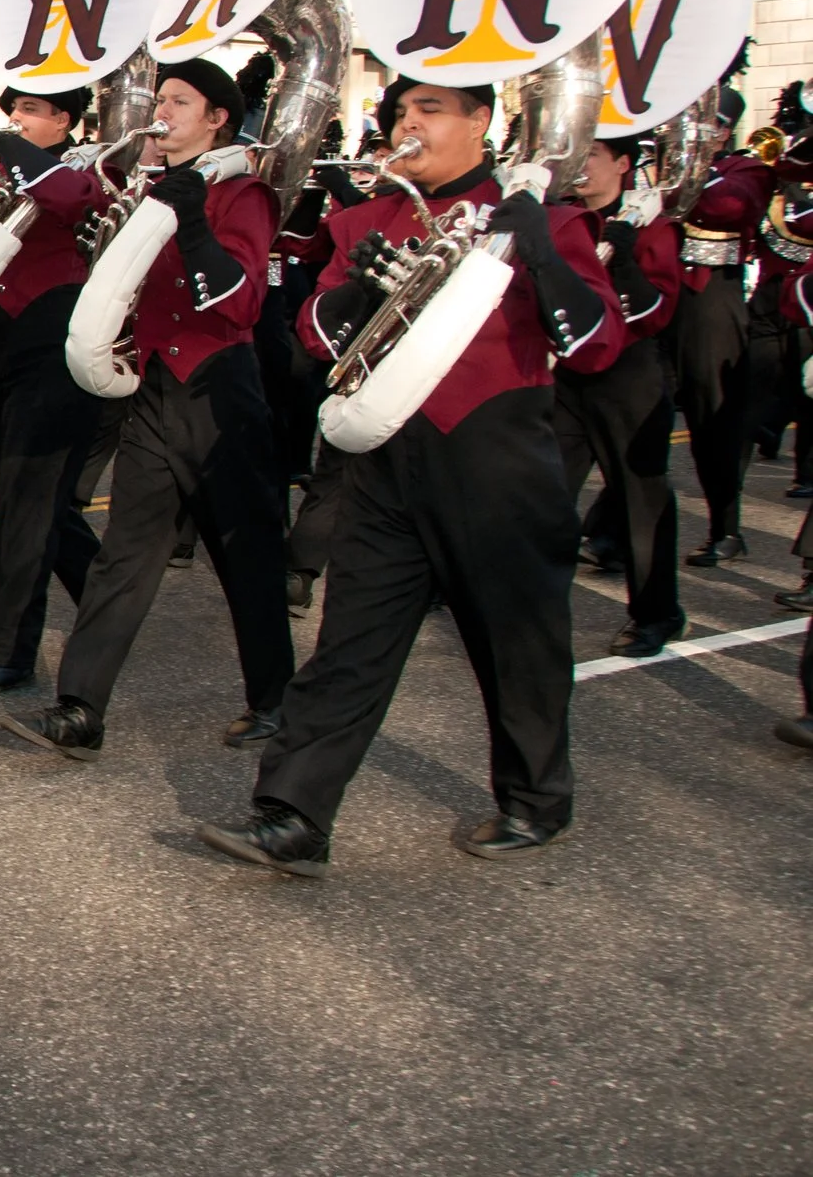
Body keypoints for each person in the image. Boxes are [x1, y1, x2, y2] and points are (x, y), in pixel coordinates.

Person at [198, 78, 624, 877]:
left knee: (516, 645)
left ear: (481, 121)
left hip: (498, 461)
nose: (408, 125)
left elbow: (597, 346)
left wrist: (537, 247)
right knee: (348, 644)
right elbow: (313, 339)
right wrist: (361, 289)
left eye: (429, 110)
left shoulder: (543, 217)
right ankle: (293, 813)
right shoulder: (369, 218)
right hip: (387, 461)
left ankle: (535, 799)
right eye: (400, 113)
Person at [0, 61, 292, 758]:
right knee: (125, 554)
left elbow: (242, 303)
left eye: (179, 102)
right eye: (160, 98)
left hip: (220, 392)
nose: (161, 111)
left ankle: (277, 700)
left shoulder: (244, 193)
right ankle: (80, 708)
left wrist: (193, 225)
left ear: (218, 119)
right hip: (157, 387)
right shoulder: (150, 186)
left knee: (245, 557)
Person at [0, 85, 114, 695]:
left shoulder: (95, 169)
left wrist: (13, 152)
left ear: (64, 120)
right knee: (36, 501)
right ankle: (110, 605)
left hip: (55, 345)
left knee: (27, 503)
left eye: (31, 111)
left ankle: (7, 653)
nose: (15, 119)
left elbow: (71, 200)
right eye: (13, 111)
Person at [555, 136, 686, 657]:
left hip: (628, 376)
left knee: (641, 501)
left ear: (623, 163)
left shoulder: (654, 228)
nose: (580, 164)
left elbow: (656, 313)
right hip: (568, 375)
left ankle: (657, 614)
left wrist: (625, 259)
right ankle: (525, 606)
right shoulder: (562, 219)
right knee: (542, 492)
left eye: (592, 154)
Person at [669, 79, 769, 567]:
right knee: (634, 416)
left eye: (708, 123)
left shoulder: (746, 169)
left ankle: (726, 529)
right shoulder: (658, 165)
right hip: (659, 295)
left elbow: (730, 207)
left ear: (725, 130)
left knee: (713, 419)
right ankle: (610, 531)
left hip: (712, 302)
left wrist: (691, 165)